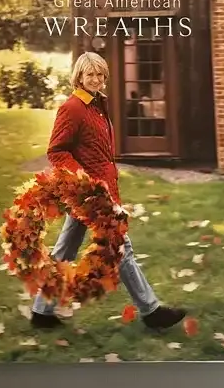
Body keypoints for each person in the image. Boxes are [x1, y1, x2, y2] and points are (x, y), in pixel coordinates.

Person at [31, 51, 187, 331]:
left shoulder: (96, 106)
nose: (96, 79)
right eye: (90, 74)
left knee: (66, 248)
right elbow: (56, 151)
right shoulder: (73, 107)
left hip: (100, 191)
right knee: (121, 247)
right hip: (91, 195)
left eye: (100, 74)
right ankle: (151, 311)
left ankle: (42, 312)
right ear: (79, 76)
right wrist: (84, 182)